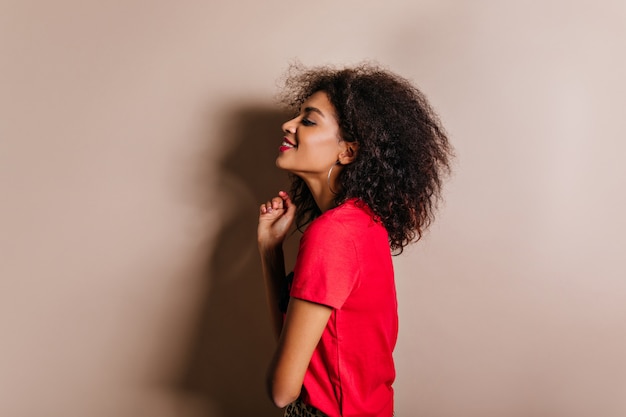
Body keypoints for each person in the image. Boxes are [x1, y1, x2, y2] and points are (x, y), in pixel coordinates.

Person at [257, 63, 452, 417]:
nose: (288, 125)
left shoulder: (333, 235)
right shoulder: (361, 223)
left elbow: (283, 391)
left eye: (309, 120)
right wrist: (271, 251)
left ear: (348, 151)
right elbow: (300, 358)